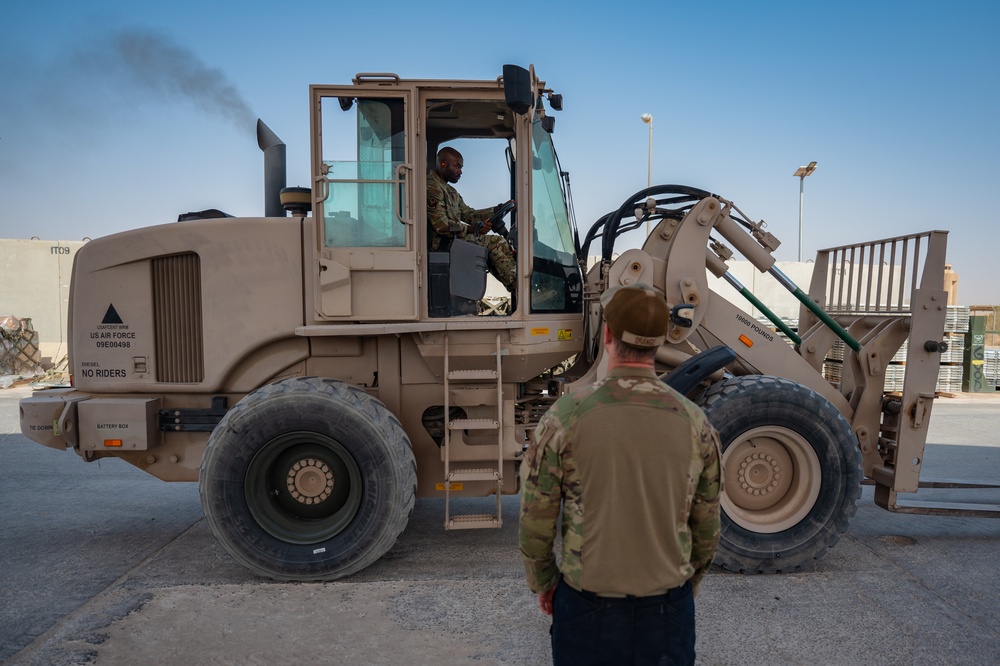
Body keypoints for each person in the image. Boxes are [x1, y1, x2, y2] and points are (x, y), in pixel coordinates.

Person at [518, 283, 722, 666]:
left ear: (607, 334)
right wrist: (684, 588)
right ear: (661, 339)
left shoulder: (565, 417)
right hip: (668, 608)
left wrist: (545, 584)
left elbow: (536, 520)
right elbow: (707, 528)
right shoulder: (695, 422)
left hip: (587, 607)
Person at [427, 146, 516, 291]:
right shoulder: (432, 187)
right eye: (457, 166)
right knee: (496, 242)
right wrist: (473, 229)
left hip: (454, 240)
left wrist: (498, 209)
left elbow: (469, 214)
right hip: (444, 243)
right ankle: (518, 285)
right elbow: (441, 226)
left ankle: (514, 285)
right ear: (443, 163)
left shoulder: (450, 191)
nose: (460, 171)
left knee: (500, 245)